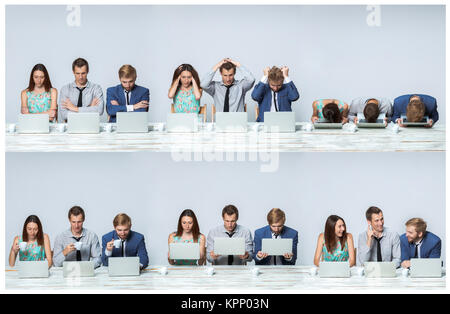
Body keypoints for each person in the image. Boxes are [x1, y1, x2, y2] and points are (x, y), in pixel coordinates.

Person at [58, 58, 104, 122]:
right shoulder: (65, 89)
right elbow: (64, 115)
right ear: (73, 72)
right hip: (71, 125)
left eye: (83, 73)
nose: (80, 77)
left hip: (90, 124)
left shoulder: (96, 88)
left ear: (88, 71)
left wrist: (74, 108)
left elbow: (99, 110)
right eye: (77, 73)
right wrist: (90, 108)